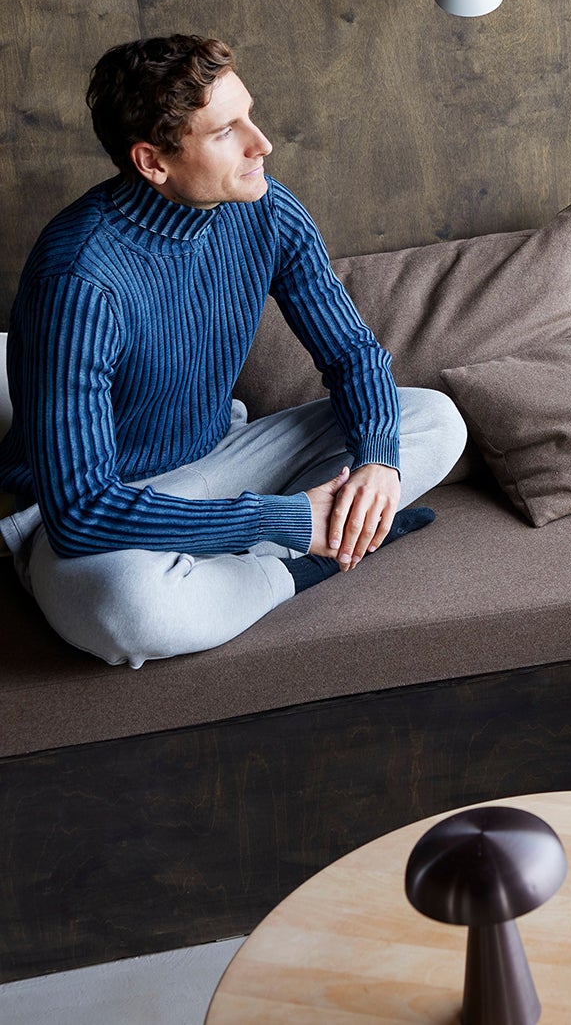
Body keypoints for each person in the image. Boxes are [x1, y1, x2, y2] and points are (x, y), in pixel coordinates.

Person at [0, 35, 467, 668]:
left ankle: (257, 552)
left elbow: (354, 355)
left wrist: (379, 460)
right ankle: (295, 567)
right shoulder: (78, 280)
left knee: (435, 420)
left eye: (249, 115)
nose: (261, 144)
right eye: (226, 132)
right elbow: (82, 510)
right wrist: (283, 520)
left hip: (223, 458)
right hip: (101, 514)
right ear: (152, 162)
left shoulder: (265, 207)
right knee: (131, 611)